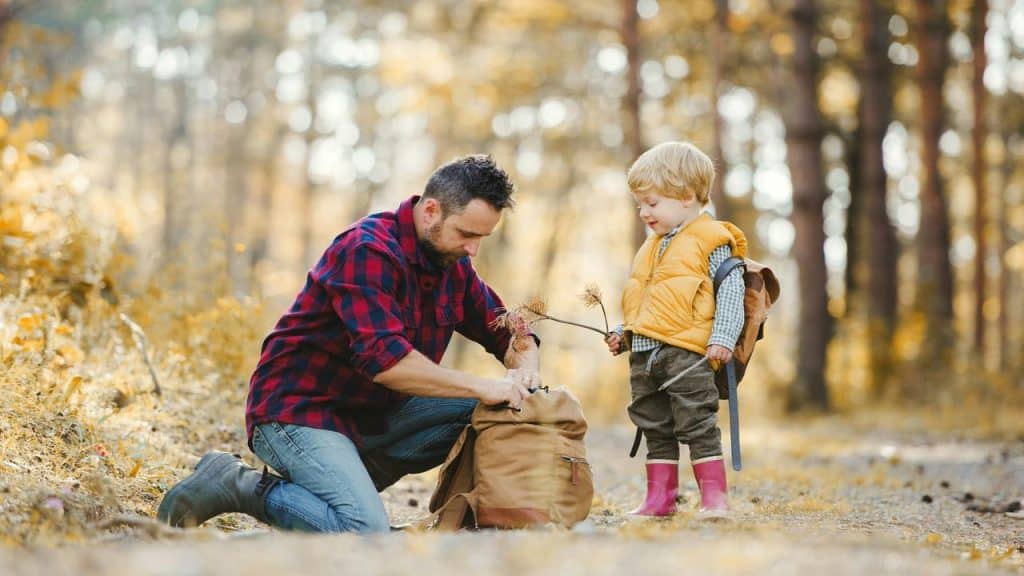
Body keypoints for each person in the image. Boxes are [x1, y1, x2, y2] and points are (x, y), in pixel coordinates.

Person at [157, 155, 540, 533]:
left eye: (482, 238)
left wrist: (526, 372)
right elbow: (389, 364)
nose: (473, 249)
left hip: (369, 417)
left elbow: (513, 333)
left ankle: (358, 497)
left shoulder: (453, 265)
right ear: (431, 211)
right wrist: (484, 385)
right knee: (363, 531)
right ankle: (234, 483)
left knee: (487, 407)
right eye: (466, 234)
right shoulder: (367, 250)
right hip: (298, 412)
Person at [605, 141, 746, 516]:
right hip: (645, 355)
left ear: (685, 196)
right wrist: (624, 331)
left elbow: (732, 289)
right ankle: (660, 498)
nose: (643, 212)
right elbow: (647, 302)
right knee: (654, 426)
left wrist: (723, 338)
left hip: (687, 356)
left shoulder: (710, 240)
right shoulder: (651, 247)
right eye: (640, 204)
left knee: (697, 423)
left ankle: (714, 498)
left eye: (652, 203)